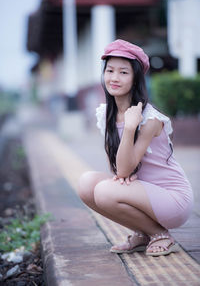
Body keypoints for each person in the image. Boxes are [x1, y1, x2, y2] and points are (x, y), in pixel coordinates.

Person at [78, 39, 194, 256]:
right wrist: (126, 177)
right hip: (142, 192)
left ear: (136, 78)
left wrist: (131, 127)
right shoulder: (106, 114)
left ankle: (160, 234)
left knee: (104, 191)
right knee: (86, 184)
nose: (114, 78)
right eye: (110, 70)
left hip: (172, 198)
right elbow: (117, 169)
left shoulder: (150, 119)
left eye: (123, 72)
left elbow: (122, 171)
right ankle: (142, 233)